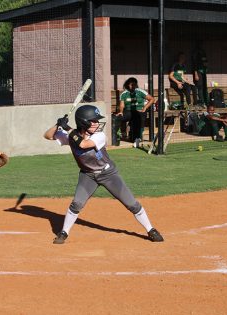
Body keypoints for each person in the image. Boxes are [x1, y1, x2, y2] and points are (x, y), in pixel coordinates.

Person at [44, 105, 164, 244]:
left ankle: (150, 229)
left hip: (108, 174)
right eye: (93, 121)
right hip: (88, 175)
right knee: (76, 204)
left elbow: (83, 144)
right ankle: (64, 233)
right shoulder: (71, 137)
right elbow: (47, 135)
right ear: (84, 122)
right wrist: (58, 124)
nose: (97, 123)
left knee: (132, 204)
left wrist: (68, 129)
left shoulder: (99, 136)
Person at [117, 77, 155, 148]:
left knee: (140, 119)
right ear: (128, 85)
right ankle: (118, 136)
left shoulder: (140, 91)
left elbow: (152, 99)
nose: (133, 86)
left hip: (140, 111)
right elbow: (122, 105)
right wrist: (121, 112)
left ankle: (138, 138)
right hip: (129, 111)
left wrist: (144, 108)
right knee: (116, 118)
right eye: (131, 85)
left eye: (134, 85)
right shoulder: (124, 94)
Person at [192, 40, 208, 106]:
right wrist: (196, 74)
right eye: (200, 44)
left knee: (204, 87)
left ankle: (206, 101)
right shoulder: (196, 52)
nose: (201, 45)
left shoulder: (203, 52)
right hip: (198, 72)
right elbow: (194, 64)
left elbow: (206, 61)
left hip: (203, 71)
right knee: (200, 87)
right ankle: (201, 102)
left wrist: (206, 66)